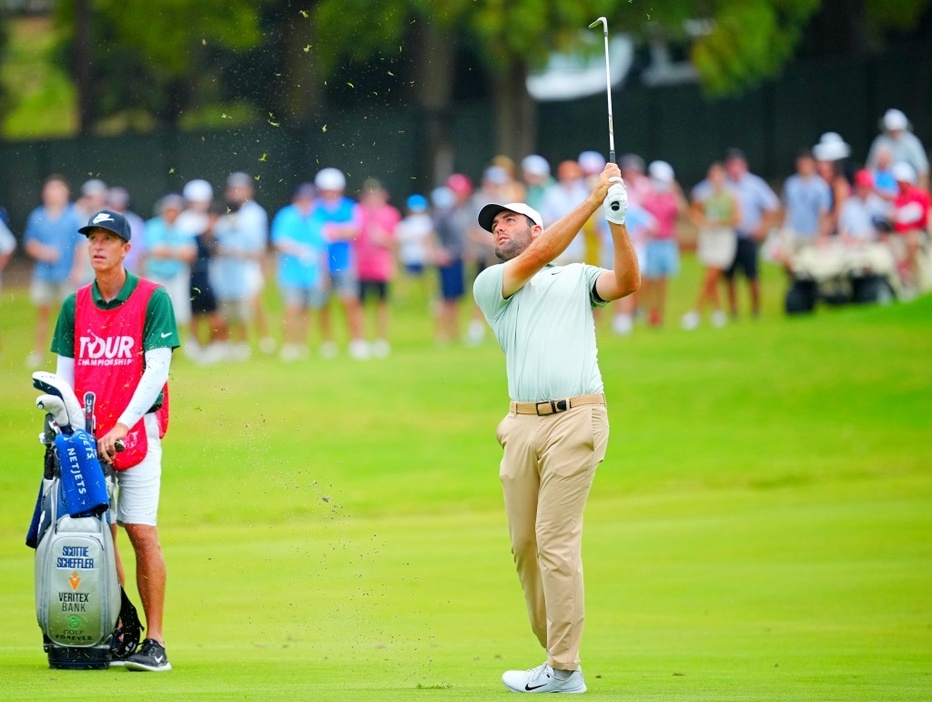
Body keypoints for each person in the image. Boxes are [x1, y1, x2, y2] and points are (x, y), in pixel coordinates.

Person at [473, 162, 638, 694]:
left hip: (577, 418)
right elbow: (542, 256)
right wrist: (592, 202)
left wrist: (616, 222)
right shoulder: (493, 286)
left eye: (509, 220)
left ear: (536, 227)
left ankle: (564, 667)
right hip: (521, 426)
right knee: (524, 547)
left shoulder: (578, 277)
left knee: (554, 540)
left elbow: (629, 281)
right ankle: (557, 658)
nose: (498, 227)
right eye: (492, 224)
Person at [50, 208, 178, 672]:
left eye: (108, 239)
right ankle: (122, 624)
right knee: (99, 535)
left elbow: (157, 370)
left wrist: (122, 424)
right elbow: (65, 378)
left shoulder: (152, 298)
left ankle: (156, 641)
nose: (98, 246)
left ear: (127, 249)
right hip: (88, 441)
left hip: (137, 432)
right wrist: (66, 426)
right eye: (92, 239)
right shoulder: (74, 304)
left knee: (141, 532)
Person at [696, 148, 779, 319]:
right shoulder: (722, 185)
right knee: (730, 277)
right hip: (728, 238)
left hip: (748, 236)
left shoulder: (754, 184)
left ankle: (756, 309)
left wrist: (761, 227)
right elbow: (699, 196)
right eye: (731, 166)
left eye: (737, 165)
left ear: (744, 166)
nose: (734, 169)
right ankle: (733, 310)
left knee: (752, 275)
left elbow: (772, 206)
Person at [23, 175, 86, 368]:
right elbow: (30, 243)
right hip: (44, 274)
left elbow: (81, 245)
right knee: (42, 314)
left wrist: (78, 269)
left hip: (67, 274)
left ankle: (72, 353)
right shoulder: (37, 215)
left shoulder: (73, 215)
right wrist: (44, 252)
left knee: (70, 315)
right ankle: (39, 352)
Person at [313, 167, 366, 359]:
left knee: (350, 301)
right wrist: (340, 231)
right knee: (322, 304)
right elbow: (314, 232)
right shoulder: (315, 207)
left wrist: (332, 231)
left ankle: (357, 341)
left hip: (344, 262)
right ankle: (328, 343)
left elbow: (355, 231)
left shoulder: (349, 206)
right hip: (321, 264)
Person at [272, 183, 329, 362]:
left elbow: (322, 249)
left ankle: (301, 344)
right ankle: (290, 345)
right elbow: (278, 241)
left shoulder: (317, 219)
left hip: (311, 274)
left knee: (306, 310)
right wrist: (298, 249)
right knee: (292, 308)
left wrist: (323, 274)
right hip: (290, 273)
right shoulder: (287, 215)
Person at [682, 161, 740, 330]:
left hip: (723, 236)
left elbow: (737, 218)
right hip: (709, 236)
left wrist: (719, 222)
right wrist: (703, 222)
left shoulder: (730, 196)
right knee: (710, 274)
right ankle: (717, 311)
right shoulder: (704, 195)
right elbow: (693, 212)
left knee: (711, 275)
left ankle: (697, 311)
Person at [225, 172, 274, 355]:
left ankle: (264, 339)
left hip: (249, 264)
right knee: (233, 304)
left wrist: (262, 266)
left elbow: (260, 244)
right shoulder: (227, 211)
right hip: (230, 267)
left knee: (254, 302)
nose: (237, 192)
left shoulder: (256, 213)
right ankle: (236, 342)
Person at [354, 178, 401, 358]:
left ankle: (381, 340)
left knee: (382, 304)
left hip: (382, 267)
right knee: (361, 305)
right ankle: (360, 341)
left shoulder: (391, 214)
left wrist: (383, 239)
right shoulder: (358, 212)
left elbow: (396, 243)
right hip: (362, 267)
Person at [640, 160, 686, 327]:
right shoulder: (648, 196)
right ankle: (648, 311)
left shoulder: (671, 196)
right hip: (652, 243)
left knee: (663, 281)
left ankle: (659, 312)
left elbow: (682, 213)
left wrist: (675, 191)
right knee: (650, 280)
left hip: (667, 242)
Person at [144, 194, 197, 335]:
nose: (172, 213)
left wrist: (168, 252)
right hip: (157, 275)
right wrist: (178, 252)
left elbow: (191, 253)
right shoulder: (153, 226)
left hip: (177, 274)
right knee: (156, 311)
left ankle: (179, 345)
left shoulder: (184, 227)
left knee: (181, 313)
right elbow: (156, 251)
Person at [432, 173, 472, 344]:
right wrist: (438, 252)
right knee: (445, 298)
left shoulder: (461, 210)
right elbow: (431, 234)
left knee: (455, 298)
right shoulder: (444, 212)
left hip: (458, 258)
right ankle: (441, 334)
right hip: (447, 260)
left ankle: (454, 333)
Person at [776, 149, 833, 267]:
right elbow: (786, 208)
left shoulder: (820, 186)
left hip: (812, 231)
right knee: (788, 261)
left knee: (809, 265)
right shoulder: (791, 183)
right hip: (793, 230)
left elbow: (823, 212)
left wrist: (822, 234)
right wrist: (782, 228)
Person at [890, 162, 931, 292]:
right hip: (901, 234)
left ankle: (908, 275)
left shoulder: (920, 195)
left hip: (919, 233)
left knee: (912, 240)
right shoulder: (898, 198)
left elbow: (925, 217)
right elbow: (897, 221)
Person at [867, 109, 929, 191]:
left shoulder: (912, 142)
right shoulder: (880, 141)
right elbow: (870, 168)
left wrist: (921, 193)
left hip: (909, 186)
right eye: (892, 130)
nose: (894, 133)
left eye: (897, 129)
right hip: (884, 187)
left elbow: (922, 170)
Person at [395, 193, 435, 304]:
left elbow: (429, 239)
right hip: (410, 256)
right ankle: (403, 300)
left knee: (425, 279)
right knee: (407, 280)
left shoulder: (425, 222)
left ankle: (429, 299)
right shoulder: (405, 224)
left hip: (421, 255)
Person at [838, 170, 889, 245]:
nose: (864, 190)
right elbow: (844, 229)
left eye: (866, 187)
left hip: (874, 244)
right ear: (856, 187)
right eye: (862, 187)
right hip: (854, 244)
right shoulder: (849, 205)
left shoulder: (878, 204)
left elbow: (883, 229)